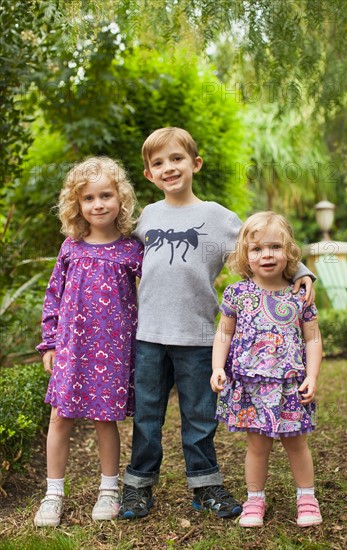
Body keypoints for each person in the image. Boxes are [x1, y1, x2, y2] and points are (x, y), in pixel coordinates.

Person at [119, 127, 315, 520]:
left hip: (197, 337)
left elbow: (261, 243)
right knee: (147, 416)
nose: (169, 168)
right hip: (149, 336)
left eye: (177, 159)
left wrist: (302, 272)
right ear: (148, 175)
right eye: (158, 163)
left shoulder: (216, 217)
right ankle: (137, 488)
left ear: (195, 163)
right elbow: (116, 248)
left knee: (199, 417)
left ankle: (205, 486)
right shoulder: (146, 218)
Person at [34, 157, 143, 527]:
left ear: (120, 199)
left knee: (104, 419)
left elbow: (154, 292)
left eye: (106, 195)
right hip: (71, 347)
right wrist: (49, 343)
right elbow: (53, 295)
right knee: (60, 416)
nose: (98, 204)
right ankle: (53, 493)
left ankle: (109, 489)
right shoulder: (72, 247)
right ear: (77, 205)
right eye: (89, 198)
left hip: (113, 351)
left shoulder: (132, 250)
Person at [210, 211, 323, 528]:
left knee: (297, 443)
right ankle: (254, 500)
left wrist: (312, 376)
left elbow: (312, 338)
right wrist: (218, 366)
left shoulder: (299, 294)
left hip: (290, 385)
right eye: (257, 249)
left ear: (289, 251)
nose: (267, 255)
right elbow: (224, 334)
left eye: (275, 247)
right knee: (257, 446)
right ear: (245, 255)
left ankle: (307, 498)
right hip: (250, 386)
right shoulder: (237, 293)